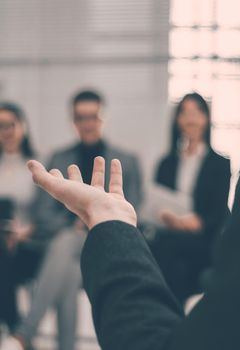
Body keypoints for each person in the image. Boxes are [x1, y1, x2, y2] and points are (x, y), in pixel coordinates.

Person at [17, 130, 240, 350]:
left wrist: (109, 220)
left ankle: (24, 333)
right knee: (67, 255)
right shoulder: (62, 155)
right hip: (70, 237)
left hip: (181, 238)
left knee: (68, 255)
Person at [3, 90, 143, 350]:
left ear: (103, 117)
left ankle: (24, 334)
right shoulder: (58, 158)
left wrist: (95, 222)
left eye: (93, 116)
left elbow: (135, 211)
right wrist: (73, 223)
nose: (87, 123)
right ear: (73, 120)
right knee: (67, 264)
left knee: (66, 245)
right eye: (81, 117)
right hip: (67, 244)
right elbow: (42, 213)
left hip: (106, 241)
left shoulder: (128, 161)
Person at [151, 93, 231, 303]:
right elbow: (156, 201)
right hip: (169, 232)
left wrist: (194, 223)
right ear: (177, 120)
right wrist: (168, 218)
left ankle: (167, 315)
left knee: (167, 252)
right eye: (184, 113)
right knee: (169, 257)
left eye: (197, 112)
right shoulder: (166, 163)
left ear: (206, 119)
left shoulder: (219, 164)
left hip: (203, 239)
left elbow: (217, 214)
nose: (190, 119)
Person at [0, 103, 42, 333]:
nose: (5, 131)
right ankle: (15, 325)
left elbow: (47, 212)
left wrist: (27, 231)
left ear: (22, 126)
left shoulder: (38, 164)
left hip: (28, 243)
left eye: (10, 124)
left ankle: (14, 326)